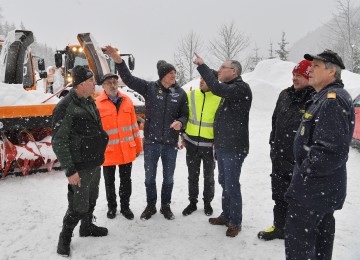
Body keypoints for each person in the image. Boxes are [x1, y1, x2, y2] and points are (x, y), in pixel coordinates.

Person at [104, 46, 188, 221]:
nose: (174, 75)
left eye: (174, 73)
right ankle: (151, 206)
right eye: (170, 73)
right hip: (151, 143)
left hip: (170, 144)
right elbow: (128, 78)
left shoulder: (180, 93)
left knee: (169, 178)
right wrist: (117, 59)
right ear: (163, 75)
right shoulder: (150, 88)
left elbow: (185, 114)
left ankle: (165, 206)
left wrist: (181, 122)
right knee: (150, 178)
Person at [284, 50, 355, 259]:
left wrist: (304, 173)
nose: (310, 69)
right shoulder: (324, 97)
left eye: (316, 66)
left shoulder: (332, 100)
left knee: (301, 250)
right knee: (318, 248)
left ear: (332, 71)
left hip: (312, 193)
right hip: (318, 192)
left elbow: (329, 151)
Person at [52, 65, 109, 257]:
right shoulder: (66, 106)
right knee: (78, 205)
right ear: (81, 84)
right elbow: (59, 141)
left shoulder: (89, 101)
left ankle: (87, 227)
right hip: (80, 166)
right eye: (91, 81)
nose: (95, 83)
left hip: (94, 162)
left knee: (92, 198)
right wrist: (70, 170)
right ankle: (65, 238)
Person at [193, 54, 252, 237]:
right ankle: (226, 215)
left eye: (222, 67)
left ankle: (235, 221)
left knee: (232, 184)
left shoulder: (240, 88)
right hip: (223, 146)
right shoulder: (229, 89)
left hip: (234, 147)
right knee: (224, 182)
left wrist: (203, 66)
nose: (219, 70)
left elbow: (216, 87)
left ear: (233, 71)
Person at [257, 60, 315, 241]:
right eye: (294, 75)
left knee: (300, 199)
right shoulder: (285, 94)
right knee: (279, 195)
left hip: (300, 160)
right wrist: (272, 144)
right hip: (279, 155)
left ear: (309, 76)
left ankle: (298, 232)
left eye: (299, 75)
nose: (294, 78)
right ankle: (279, 227)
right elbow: (275, 121)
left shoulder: (314, 98)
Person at [96, 73, 143, 220]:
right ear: (103, 86)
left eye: (115, 82)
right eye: (109, 82)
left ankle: (125, 207)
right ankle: (112, 207)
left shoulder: (127, 101)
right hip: (108, 152)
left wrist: (138, 147)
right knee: (109, 182)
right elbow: (96, 132)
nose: (112, 85)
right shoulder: (97, 104)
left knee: (126, 181)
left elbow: (133, 126)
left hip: (126, 150)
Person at [181, 70, 221, 217]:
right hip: (191, 144)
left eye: (205, 79)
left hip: (209, 146)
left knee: (209, 176)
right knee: (192, 175)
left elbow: (222, 124)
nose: (201, 81)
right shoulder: (190, 95)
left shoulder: (220, 98)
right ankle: (192, 202)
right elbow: (183, 116)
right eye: (201, 78)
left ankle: (207, 203)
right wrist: (182, 135)